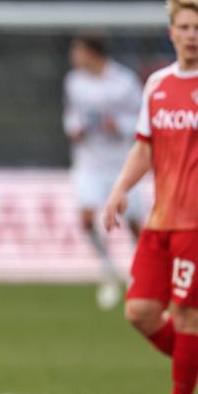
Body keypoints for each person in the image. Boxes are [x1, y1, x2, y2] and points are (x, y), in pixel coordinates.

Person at [104, 0, 198, 394]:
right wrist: (120, 189)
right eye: (184, 27)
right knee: (140, 312)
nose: (191, 35)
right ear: (171, 33)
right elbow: (145, 146)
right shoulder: (158, 83)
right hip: (161, 217)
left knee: (188, 314)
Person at [63, 34, 145, 309]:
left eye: (78, 50)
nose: (74, 56)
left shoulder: (124, 81)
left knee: (134, 223)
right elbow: (71, 115)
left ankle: (139, 272)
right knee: (86, 219)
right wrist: (74, 128)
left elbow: (141, 119)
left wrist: (119, 126)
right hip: (89, 162)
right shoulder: (74, 82)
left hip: (121, 163)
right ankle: (108, 269)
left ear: (92, 52)